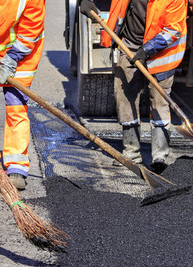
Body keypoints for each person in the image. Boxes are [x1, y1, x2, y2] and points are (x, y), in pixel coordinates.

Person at [79, 0, 187, 173]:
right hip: (128, 44)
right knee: (124, 95)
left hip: (162, 52)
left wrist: (147, 50)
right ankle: (131, 152)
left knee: (159, 101)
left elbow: (173, 29)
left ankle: (160, 155)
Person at [0, 0, 46, 190]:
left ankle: (16, 167)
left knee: (16, 107)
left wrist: (12, 58)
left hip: (20, 55)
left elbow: (31, 29)